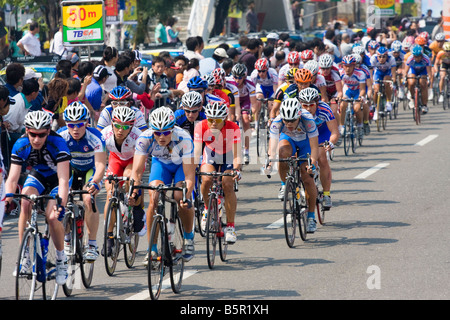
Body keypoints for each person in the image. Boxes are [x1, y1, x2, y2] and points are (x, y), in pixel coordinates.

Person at [5, 110, 71, 285]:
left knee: (52, 216)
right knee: (25, 202)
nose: (36, 139)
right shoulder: (20, 145)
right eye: (32, 134)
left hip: (58, 178)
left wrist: (61, 205)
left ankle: (61, 259)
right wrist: (6, 201)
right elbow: (12, 179)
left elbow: (64, 181)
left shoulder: (58, 143)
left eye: (41, 135)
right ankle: (24, 256)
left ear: (48, 131)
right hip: (39, 175)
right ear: (27, 131)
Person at [130, 107, 196, 263]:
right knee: (154, 196)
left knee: (180, 195)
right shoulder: (144, 138)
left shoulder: (184, 139)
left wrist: (186, 195)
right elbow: (137, 172)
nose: (161, 137)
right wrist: (133, 193)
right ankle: (151, 248)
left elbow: (189, 176)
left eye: (166, 132)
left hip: (181, 166)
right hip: (161, 165)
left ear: (172, 129)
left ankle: (188, 237)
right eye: (157, 132)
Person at [57, 102, 106, 261]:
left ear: (87, 122)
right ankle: (66, 239)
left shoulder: (96, 136)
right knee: (62, 200)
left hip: (90, 170)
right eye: (71, 124)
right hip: (70, 169)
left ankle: (92, 244)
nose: (75, 129)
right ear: (66, 123)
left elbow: (100, 165)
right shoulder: (61, 135)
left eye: (79, 124)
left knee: (88, 199)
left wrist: (96, 182)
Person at [265, 98, 318, 232]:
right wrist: (270, 161)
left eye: (292, 121)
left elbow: (314, 146)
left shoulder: (308, 120)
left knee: (307, 177)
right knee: (282, 155)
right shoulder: (277, 122)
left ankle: (311, 217)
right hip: (288, 141)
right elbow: (272, 146)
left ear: (299, 116)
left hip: (305, 143)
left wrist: (312, 163)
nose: (288, 123)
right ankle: (284, 185)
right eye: (286, 120)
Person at [194, 101, 242, 243]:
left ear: (225, 119)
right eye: (210, 120)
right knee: (207, 179)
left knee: (227, 184)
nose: (213, 123)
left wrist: (236, 169)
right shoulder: (201, 126)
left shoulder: (233, 127)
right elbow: (197, 151)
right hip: (211, 154)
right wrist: (195, 167)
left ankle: (231, 227)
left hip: (228, 155)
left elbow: (237, 154)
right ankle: (207, 210)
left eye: (218, 120)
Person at [101, 106, 144, 256]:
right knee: (110, 193)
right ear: (112, 123)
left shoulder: (138, 137)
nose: (120, 130)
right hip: (116, 159)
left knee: (129, 177)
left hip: (134, 160)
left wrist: (135, 187)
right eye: (117, 125)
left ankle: (137, 208)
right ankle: (109, 236)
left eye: (125, 127)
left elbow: (138, 170)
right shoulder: (105, 134)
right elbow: (99, 160)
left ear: (131, 127)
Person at [298, 88, 339, 209]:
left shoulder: (324, 109)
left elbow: (335, 132)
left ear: (317, 103)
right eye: (305, 105)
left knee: (321, 158)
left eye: (311, 105)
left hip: (321, 133)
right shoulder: (297, 111)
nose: (308, 108)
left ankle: (326, 194)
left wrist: (330, 143)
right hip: (304, 134)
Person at [404, 45, 432, 113]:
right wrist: (405, 79)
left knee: (423, 84)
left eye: (419, 56)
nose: (417, 58)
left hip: (423, 71)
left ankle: (424, 105)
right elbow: (406, 71)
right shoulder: (410, 59)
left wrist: (429, 80)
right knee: (411, 82)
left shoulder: (426, 59)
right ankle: (412, 98)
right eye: (415, 56)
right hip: (413, 70)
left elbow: (429, 72)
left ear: (422, 55)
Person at [370, 46, 397, 116]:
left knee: (386, 82)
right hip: (378, 73)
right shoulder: (373, 58)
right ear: (377, 56)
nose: (381, 59)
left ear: (387, 56)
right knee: (376, 90)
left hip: (387, 72)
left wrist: (393, 78)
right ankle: (376, 108)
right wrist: (371, 81)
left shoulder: (391, 59)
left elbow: (393, 71)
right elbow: (370, 73)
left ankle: (388, 102)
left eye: (384, 57)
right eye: (380, 57)